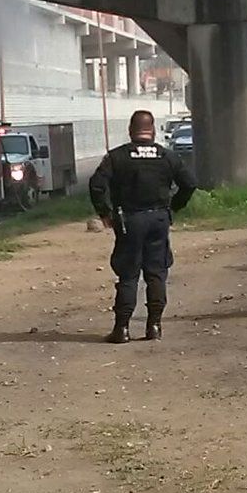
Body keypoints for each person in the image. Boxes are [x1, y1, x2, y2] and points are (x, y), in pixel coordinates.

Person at [88, 110, 197, 344]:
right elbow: (189, 183)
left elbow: (97, 184)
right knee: (156, 273)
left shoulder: (117, 157)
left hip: (129, 220)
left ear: (130, 130)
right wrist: (173, 207)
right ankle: (154, 326)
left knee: (128, 275)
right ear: (153, 130)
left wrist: (105, 213)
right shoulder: (167, 156)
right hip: (158, 219)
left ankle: (122, 329)